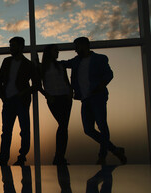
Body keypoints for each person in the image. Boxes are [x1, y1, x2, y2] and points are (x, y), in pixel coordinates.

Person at [62, 37, 127, 165]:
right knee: (88, 129)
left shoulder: (100, 59)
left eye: (77, 46)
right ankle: (115, 150)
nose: (75, 50)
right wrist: (46, 62)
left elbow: (109, 74)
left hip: (97, 97)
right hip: (85, 99)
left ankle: (102, 156)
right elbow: (63, 64)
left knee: (102, 126)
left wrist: (101, 86)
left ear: (85, 45)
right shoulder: (76, 61)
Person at [0, 37, 41, 166]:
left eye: (13, 45)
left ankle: (22, 157)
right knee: (6, 131)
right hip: (8, 101)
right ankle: (3, 158)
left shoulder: (29, 64)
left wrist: (23, 93)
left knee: (24, 130)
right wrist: (2, 96)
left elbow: (36, 84)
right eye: (10, 45)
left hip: (21, 101)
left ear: (21, 47)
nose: (11, 48)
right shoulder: (7, 61)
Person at [41, 45, 73, 165]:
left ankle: (60, 156)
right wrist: (47, 95)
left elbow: (66, 80)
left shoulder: (60, 66)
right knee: (63, 125)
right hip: (53, 98)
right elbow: (38, 85)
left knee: (64, 126)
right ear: (49, 52)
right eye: (56, 50)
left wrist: (70, 92)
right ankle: (59, 157)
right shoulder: (42, 67)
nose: (58, 52)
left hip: (65, 97)